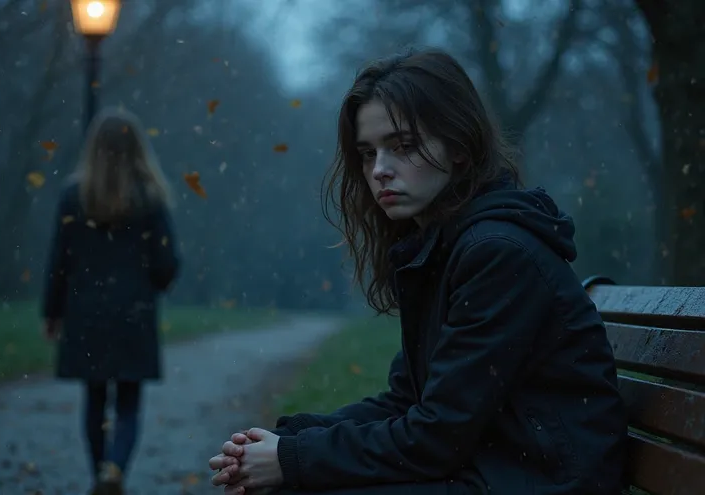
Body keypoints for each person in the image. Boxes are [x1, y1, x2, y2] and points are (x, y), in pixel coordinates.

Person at [208, 48, 628, 495]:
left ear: (459, 147)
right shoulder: (446, 247)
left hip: (545, 482)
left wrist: (291, 460)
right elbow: (407, 401)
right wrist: (284, 441)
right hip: (495, 470)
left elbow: (436, 437)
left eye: (403, 146)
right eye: (368, 153)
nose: (380, 171)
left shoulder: (498, 254)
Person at [41, 107, 181, 495]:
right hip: (133, 313)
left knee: (95, 397)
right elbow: (168, 262)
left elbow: (59, 262)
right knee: (129, 401)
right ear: (138, 149)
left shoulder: (74, 197)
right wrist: (151, 284)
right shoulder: (150, 199)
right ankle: (115, 470)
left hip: (85, 313)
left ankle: (99, 471)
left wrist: (52, 312)